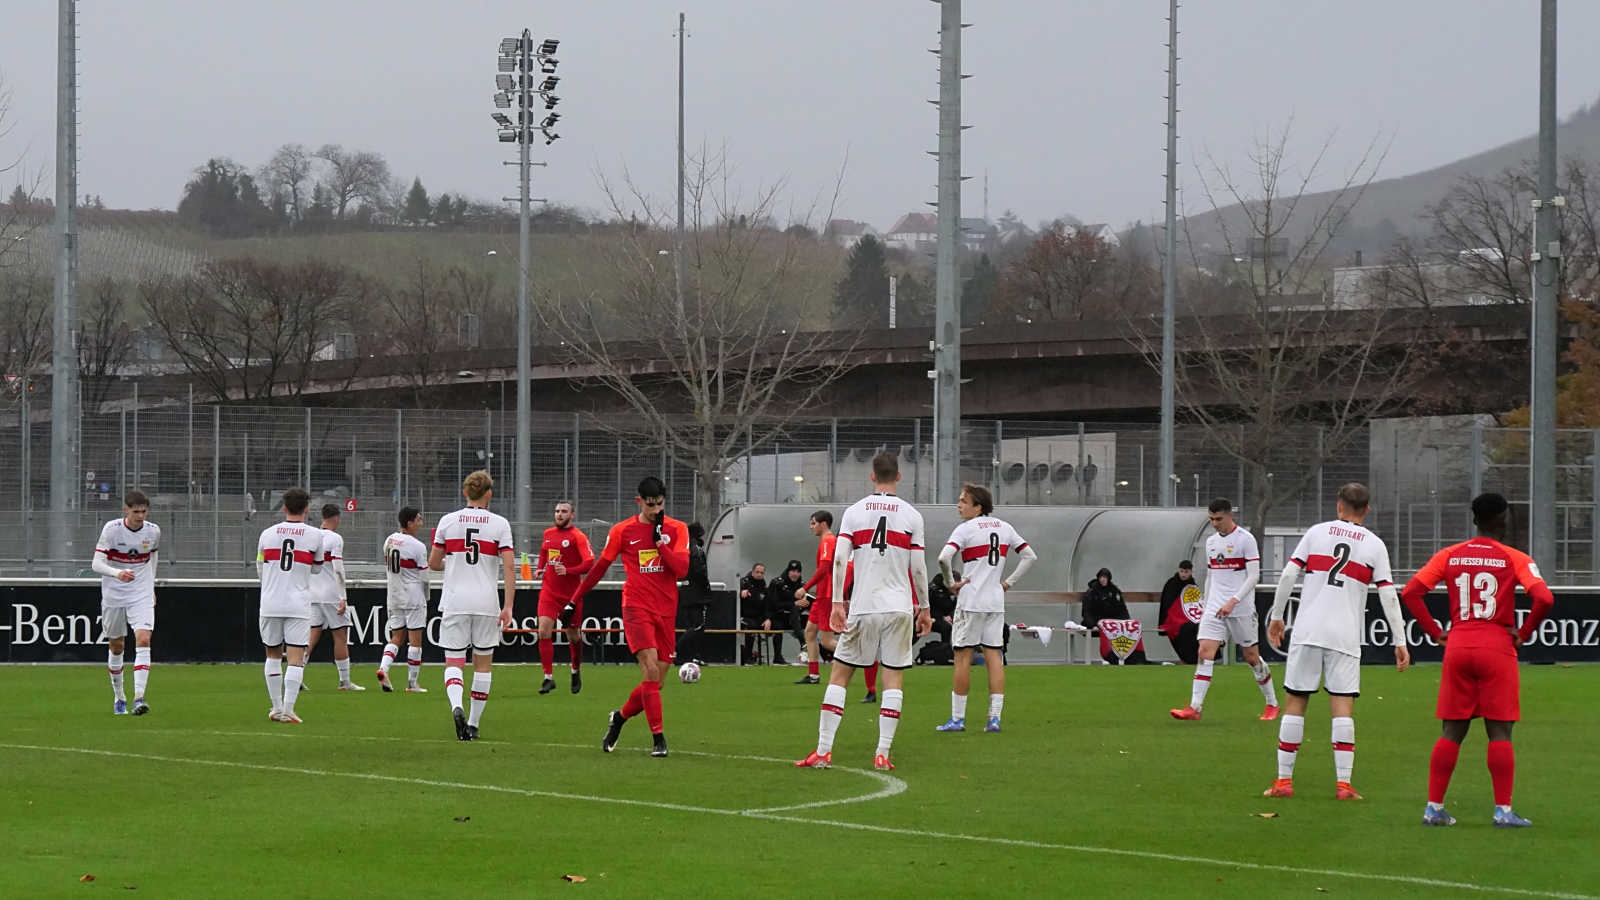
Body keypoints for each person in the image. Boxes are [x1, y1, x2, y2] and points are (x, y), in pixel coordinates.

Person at [1400, 492, 1555, 829]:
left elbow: (1411, 592)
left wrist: (1434, 632)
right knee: (1499, 730)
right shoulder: (1515, 557)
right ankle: (1503, 811)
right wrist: (1524, 633)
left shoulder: (1450, 555)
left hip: (1459, 644)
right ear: (1504, 520)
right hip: (1496, 646)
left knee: (1452, 729)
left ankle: (1434, 808)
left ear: (1474, 520)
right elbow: (1544, 598)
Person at [1262, 483, 1410, 801]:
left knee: (1295, 702)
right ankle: (1344, 785)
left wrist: (1277, 616)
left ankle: (1283, 782)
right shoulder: (1374, 544)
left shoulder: (1316, 533)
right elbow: (1387, 593)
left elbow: (1288, 575)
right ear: (1367, 510)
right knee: (1342, 707)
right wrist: (1400, 640)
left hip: (1308, 630)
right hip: (1345, 635)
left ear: (1339, 506)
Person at [796, 452, 931, 772]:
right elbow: (918, 567)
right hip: (899, 607)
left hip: (864, 605)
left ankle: (824, 751)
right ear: (898, 477)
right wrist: (925, 608)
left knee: (840, 675)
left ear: (872, 477)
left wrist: (837, 603)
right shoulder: (912, 515)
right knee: (893, 678)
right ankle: (882, 753)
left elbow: (840, 561)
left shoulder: (855, 512)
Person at [575, 476, 689, 758]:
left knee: (657, 683)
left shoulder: (677, 529)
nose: (655, 510)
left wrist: (660, 544)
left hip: (666, 610)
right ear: (639, 501)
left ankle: (619, 718)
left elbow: (682, 570)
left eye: (659, 504)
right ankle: (658, 739)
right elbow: (600, 567)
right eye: (650, 505)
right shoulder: (622, 531)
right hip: (636, 606)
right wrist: (574, 599)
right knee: (649, 670)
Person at [935, 483, 1036, 733]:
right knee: (994, 657)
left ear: (978, 507)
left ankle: (957, 719)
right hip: (994, 602)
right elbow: (1030, 556)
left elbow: (944, 557)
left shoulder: (965, 529)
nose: (958, 505)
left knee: (962, 657)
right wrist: (1008, 583)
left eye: (963, 501)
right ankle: (994, 719)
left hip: (971, 601)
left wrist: (950, 583)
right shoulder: (1005, 527)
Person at [1170, 498, 1280, 722]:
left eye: (1218, 519)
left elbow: (1253, 576)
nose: (1214, 523)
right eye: (1211, 519)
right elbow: (1211, 575)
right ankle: (1195, 707)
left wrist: (1233, 601)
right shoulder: (1211, 542)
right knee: (1204, 652)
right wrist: (1207, 603)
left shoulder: (1245, 539)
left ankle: (1272, 703)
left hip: (1241, 608)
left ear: (1231, 516)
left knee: (1251, 657)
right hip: (1215, 607)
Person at [429, 471, 516, 741]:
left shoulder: (447, 521)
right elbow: (509, 567)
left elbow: (434, 563)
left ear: (465, 492)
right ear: (489, 494)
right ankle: (474, 723)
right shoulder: (500, 524)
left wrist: (453, 562)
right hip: (486, 602)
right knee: (483, 664)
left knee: (454, 662)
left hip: (455, 601)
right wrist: (508, 606)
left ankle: (457, 706)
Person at [257, 487, 326, 724]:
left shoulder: (267, 534)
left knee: (272, 655)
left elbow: (260, 567)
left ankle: (276, 708)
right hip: (298, 603)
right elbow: (317, 568)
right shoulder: (315, 535)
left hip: (270, 602)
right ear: (307, 509)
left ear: (284, 508)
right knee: (296, 657)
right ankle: (288, 709)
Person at [92, 490, 161, 716]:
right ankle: (119, 696)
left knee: (143, 638)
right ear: (126, 510)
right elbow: (96, 564)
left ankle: (139, 698)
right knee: (117, 645)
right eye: (136, 512)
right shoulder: (111, 530)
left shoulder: (153, 531)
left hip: (140, 592)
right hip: (114, 592)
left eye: (143, 511)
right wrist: (117, 573)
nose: (140, 516)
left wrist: (151, 587)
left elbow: (152, 557)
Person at [535, 500, 595, 695]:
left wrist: (568, 570)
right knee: (543, 631)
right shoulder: (548, 534)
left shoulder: (578, 537)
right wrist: (540, 568)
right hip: (549, 591)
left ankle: (575, 671)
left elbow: (589, 563)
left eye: (563, 511)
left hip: (571, 596)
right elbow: (544, 553)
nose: (559, 514)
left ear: (572, 515)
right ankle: (548, 678)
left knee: (573, 635)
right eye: (557, 511)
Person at [306, 504, 364, 691]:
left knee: (311, 635)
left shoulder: (311, 536)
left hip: (312, 593)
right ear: (337, 518)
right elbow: (338, 569)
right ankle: (344, 681)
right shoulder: (335, 539)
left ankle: (295, 675)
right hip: (331, 594)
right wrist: (343, 597)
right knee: (340, 635)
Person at [377, 507, 430, 693]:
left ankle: (383, 668)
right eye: (418, 519)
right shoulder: (418, 546)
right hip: (413, 596)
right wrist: (426, 597)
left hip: (394, 595)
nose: (420, 523)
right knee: (415, 641)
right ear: (409, 522)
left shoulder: (389, 540)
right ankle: (412, 683)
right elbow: (424, 578)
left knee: (396, 637)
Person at [795, 511, 837, 684]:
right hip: (822, 595)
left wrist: (805, 588)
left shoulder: (828, 541)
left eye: (813, 523)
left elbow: (824, 569)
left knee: (827, 641)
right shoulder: (828, 540)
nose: (811, 527)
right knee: (810, 632)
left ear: (823, 524)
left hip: (826, 594)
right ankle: (813, 675)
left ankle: (861, 657)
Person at [1081, 567, 1146, 664]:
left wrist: (1127, 623)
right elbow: (1086, 611)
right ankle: (1110, 657)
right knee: (1107, 629)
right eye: (1101, 577)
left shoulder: (1115, 591)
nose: (1103, 579)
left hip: (1113, 622)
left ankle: (1135, 657)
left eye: (1105, 577)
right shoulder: (1092, 592)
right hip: (1097, 622)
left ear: (1108, 579)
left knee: (1132, 628)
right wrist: (1092, 625)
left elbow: (1122, 609)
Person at [677, 522, 714, 665]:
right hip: (697, 594)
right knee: (698, 626)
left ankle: (689, 657)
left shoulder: (684, 547)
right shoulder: (696, 550)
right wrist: (706, 589)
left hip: (686, 592)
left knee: (691, 627)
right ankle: (677, 650)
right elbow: (700, 572)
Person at [1159, 561, 1203, 666]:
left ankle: (1201, 657)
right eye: (1181, 571)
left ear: (1191, 572)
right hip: (1173, 618)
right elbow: (1168, 604)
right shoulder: (1171, 583)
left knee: (1198, 627)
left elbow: (1196, 603)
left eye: (1186, 572)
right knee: (1185, 629)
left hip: (1189, 617)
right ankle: (1188, 659)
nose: (1183, 574)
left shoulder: (1193, 585)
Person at [765, 560, 805, 666]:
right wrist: (767, 618)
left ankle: (808, 654)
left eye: (798, 571)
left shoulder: (802, 586)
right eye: (792, 571)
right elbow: (772, 604)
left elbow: (803, 605)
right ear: (788, 571)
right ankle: (778, 656)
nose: (795, 574)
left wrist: (805, 604)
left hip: (794, 618)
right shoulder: (777, 583)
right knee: (779, 626)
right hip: (777, 616)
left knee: (812, 624)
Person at [739, 563, 769, 664]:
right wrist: (741, 592)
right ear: (752, 572)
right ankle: (747, 657)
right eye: (757, 572)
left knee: (775, 625)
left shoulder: (763, 586)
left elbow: (766, 605)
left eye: (762, 573)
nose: (759, 574)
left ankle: (776, 658)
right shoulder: (744, 582)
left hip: (758, 616)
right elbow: (735, 592)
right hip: (744, 616)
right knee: (751, 626)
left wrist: (767, 619)